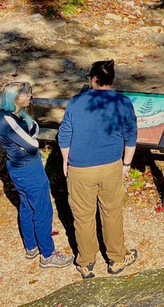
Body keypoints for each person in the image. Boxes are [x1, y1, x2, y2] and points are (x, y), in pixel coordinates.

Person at [58, 59, 139, 279]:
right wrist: (126, 164)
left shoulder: (76, 102)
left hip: (80, 168)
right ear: (111, 79)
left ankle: (86, 262)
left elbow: (65, 135)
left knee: (83, 217)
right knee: (112, 212)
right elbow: (130, 136)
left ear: (94, 79)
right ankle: (117, 259)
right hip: (110, 165)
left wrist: (66, 160)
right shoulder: (123, 102)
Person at [0, 82, 73, 269]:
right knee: (42, 210)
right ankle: (48, 254)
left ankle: (31, 246)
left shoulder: (12, 115)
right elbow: (32, 145)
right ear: (15, 98)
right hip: (28, 170)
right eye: (26, 94)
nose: (30, 96)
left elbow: (33, 132)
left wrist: (29, 137)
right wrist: (29, 140)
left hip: (21, 168)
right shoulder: (8, 121)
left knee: (27, 206)